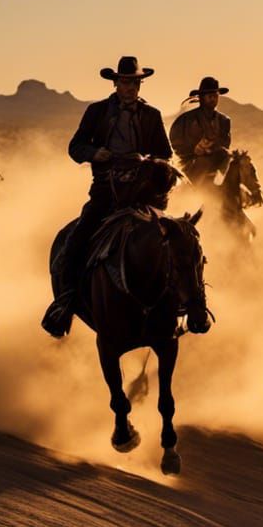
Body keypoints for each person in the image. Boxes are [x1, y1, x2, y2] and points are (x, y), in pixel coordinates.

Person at [42, 55, 210, 338]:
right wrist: (95, 153)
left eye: (134, 82)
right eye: (125, 82)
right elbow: (75, 147)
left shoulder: (152, 116)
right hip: (106, 192)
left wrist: (149, 163)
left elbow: (165, 155)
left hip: (145, 195)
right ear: (116, 83)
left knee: (182, 243)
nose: (130, 87)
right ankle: (65, 302)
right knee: (77, 239)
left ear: (140, 84)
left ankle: (190, 305)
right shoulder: (97, 112)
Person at [169, 76, 232, 185]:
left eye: (215, 96)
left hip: (219, 162)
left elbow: (225, 142)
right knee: (202, 165)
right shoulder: (185, 119)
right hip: (190, 163)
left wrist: (213, 149)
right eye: (209, 96)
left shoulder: (224, 120)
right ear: (201, 97)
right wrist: (194, 149)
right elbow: (175, 142)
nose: (213, 99)